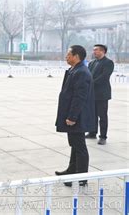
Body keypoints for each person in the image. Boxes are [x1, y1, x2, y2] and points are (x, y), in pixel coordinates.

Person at [55, 45, 95, 187]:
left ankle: (82, 177)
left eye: (68, 54)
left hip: (77, 117)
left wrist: (72, 117)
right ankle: (71, 171)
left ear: (76, 56)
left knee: (80, 147)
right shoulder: (74, 70)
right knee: (75, 145)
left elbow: (79, 97)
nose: (66, 57)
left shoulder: (82, 72)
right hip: (72, 115)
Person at [86, 44, 114, 145]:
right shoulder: (92, 63)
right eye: (93, 50)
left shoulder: (108, 63)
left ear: (103, 51)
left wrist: (91, 83)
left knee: (102, 116)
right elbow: (88, 75)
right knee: (92, 115)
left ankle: (103, 137)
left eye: (96, 50)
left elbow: (104, 77)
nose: (94, 52)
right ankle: (92, 132)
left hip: (102, 94)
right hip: (92, 93)